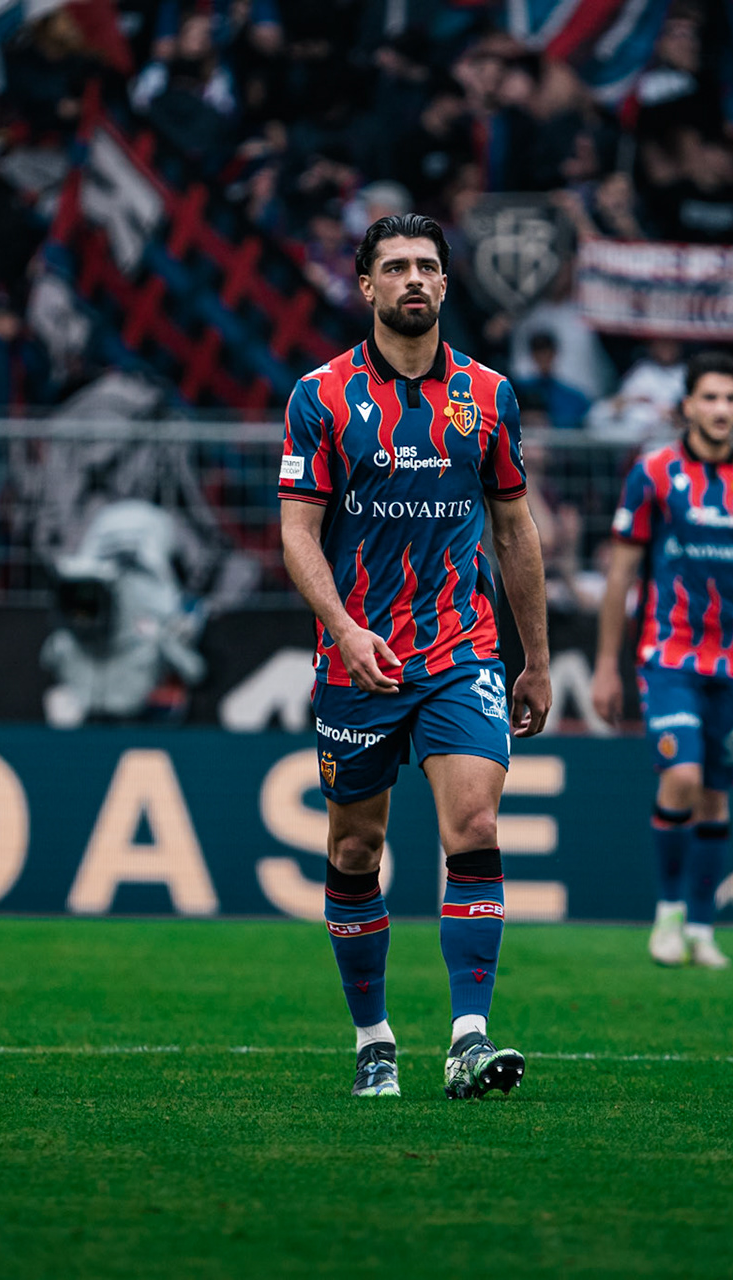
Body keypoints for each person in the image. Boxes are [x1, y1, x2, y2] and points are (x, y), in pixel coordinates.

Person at [278, 213, 551, 1101]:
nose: (414, 281)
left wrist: (536, 659)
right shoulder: (319, 397)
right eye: (394, 267)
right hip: (358, 657)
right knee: (357, 848)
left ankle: (468, 1039)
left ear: (445, 284)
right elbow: (297, 533)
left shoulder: (487, 396)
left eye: (428, 266)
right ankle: (374, 1040)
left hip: (459, 649)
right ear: (364, 286)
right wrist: (345, 629)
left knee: (472, 825)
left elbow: (514, 526)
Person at [590, 351, 733, 969]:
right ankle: (666, 916)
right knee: (682, 776)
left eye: (731, 398)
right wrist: (606, 664)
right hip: (668, 656)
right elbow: (621, 575)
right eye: (709, 397)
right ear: (686, 405)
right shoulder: (654, 473)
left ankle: (700, 925)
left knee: (716, 796)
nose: (721, 409)